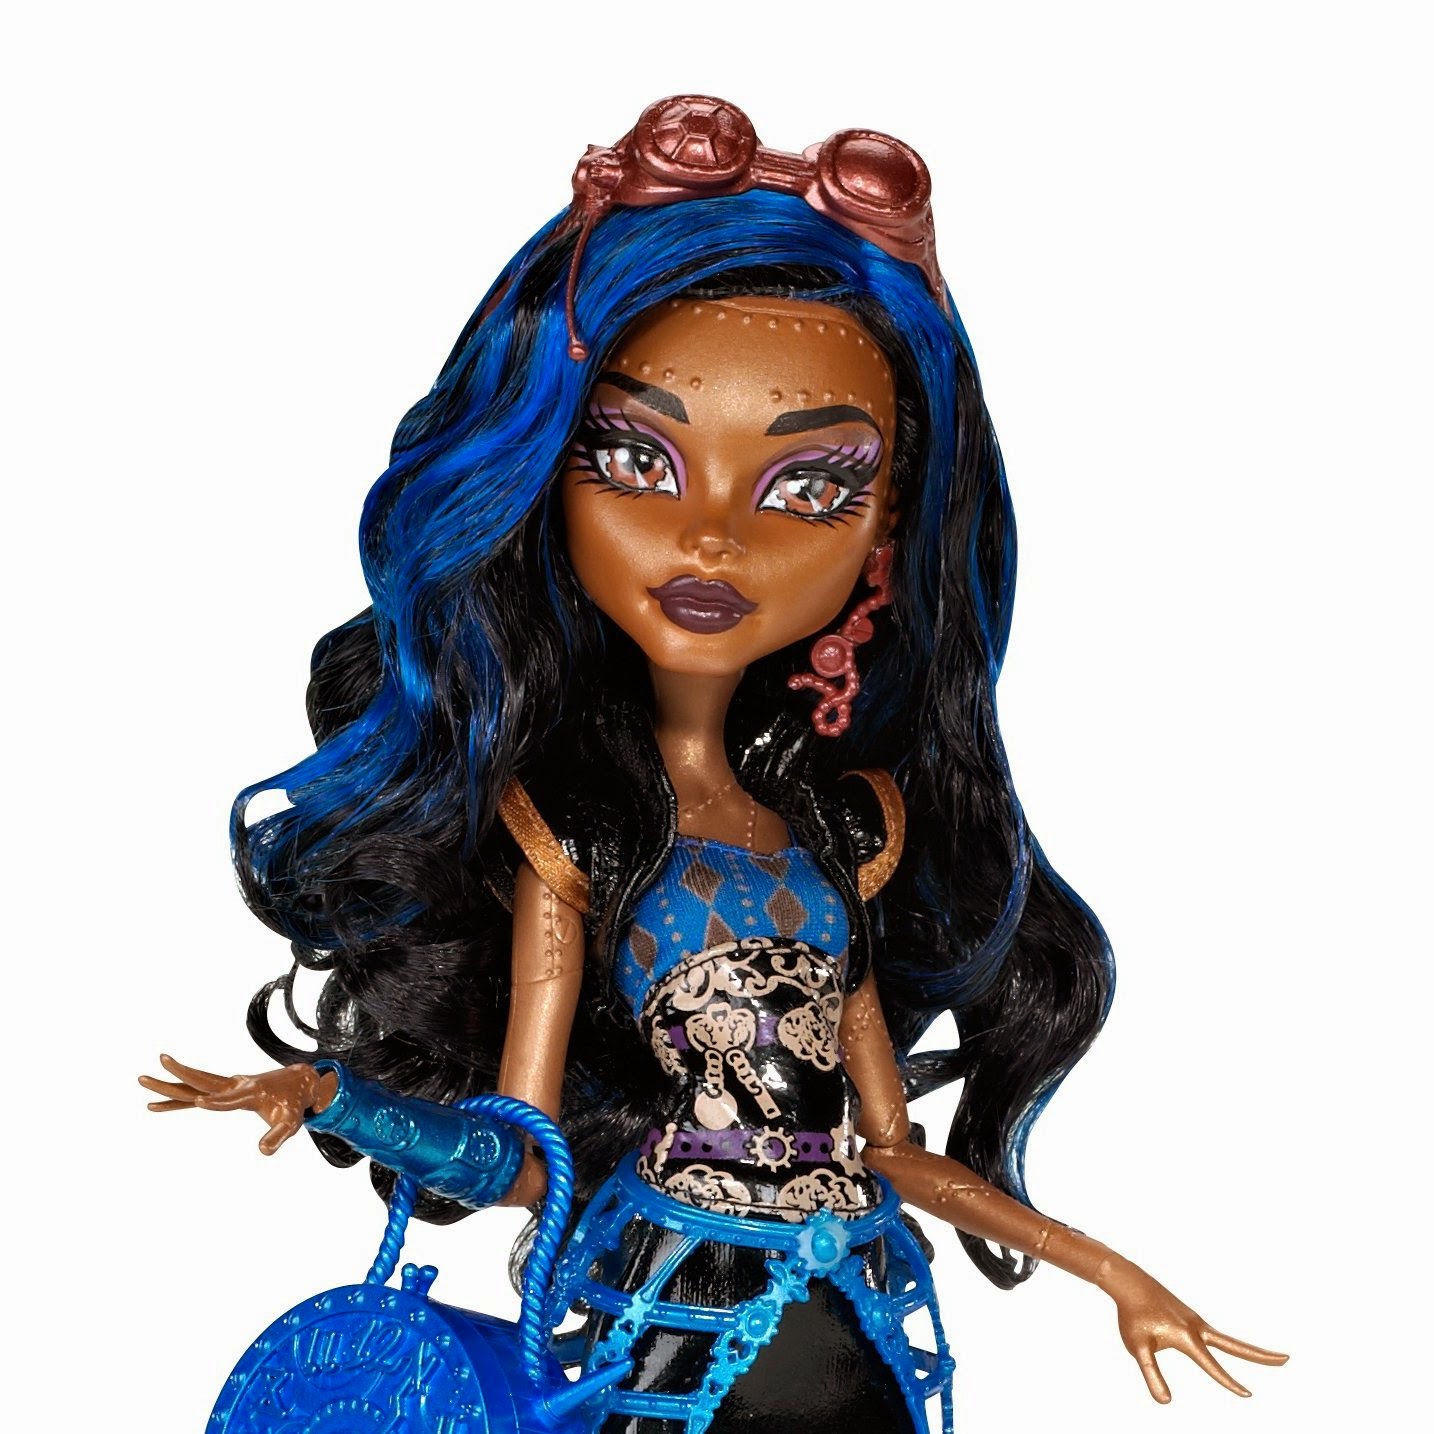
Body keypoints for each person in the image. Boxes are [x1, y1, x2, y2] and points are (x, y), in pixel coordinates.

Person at [142, 97, 1285, 1433]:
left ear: (888, 531)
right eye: (637, 458)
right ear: (540, 477)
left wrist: (1113, 1273)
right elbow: (526, 1155)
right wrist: (336, 1096)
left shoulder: (843, 834)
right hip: (676, 1313)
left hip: (856, 1312)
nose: (712, 539)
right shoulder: (572, 832)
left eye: (809, 487)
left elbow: (893, 1155)